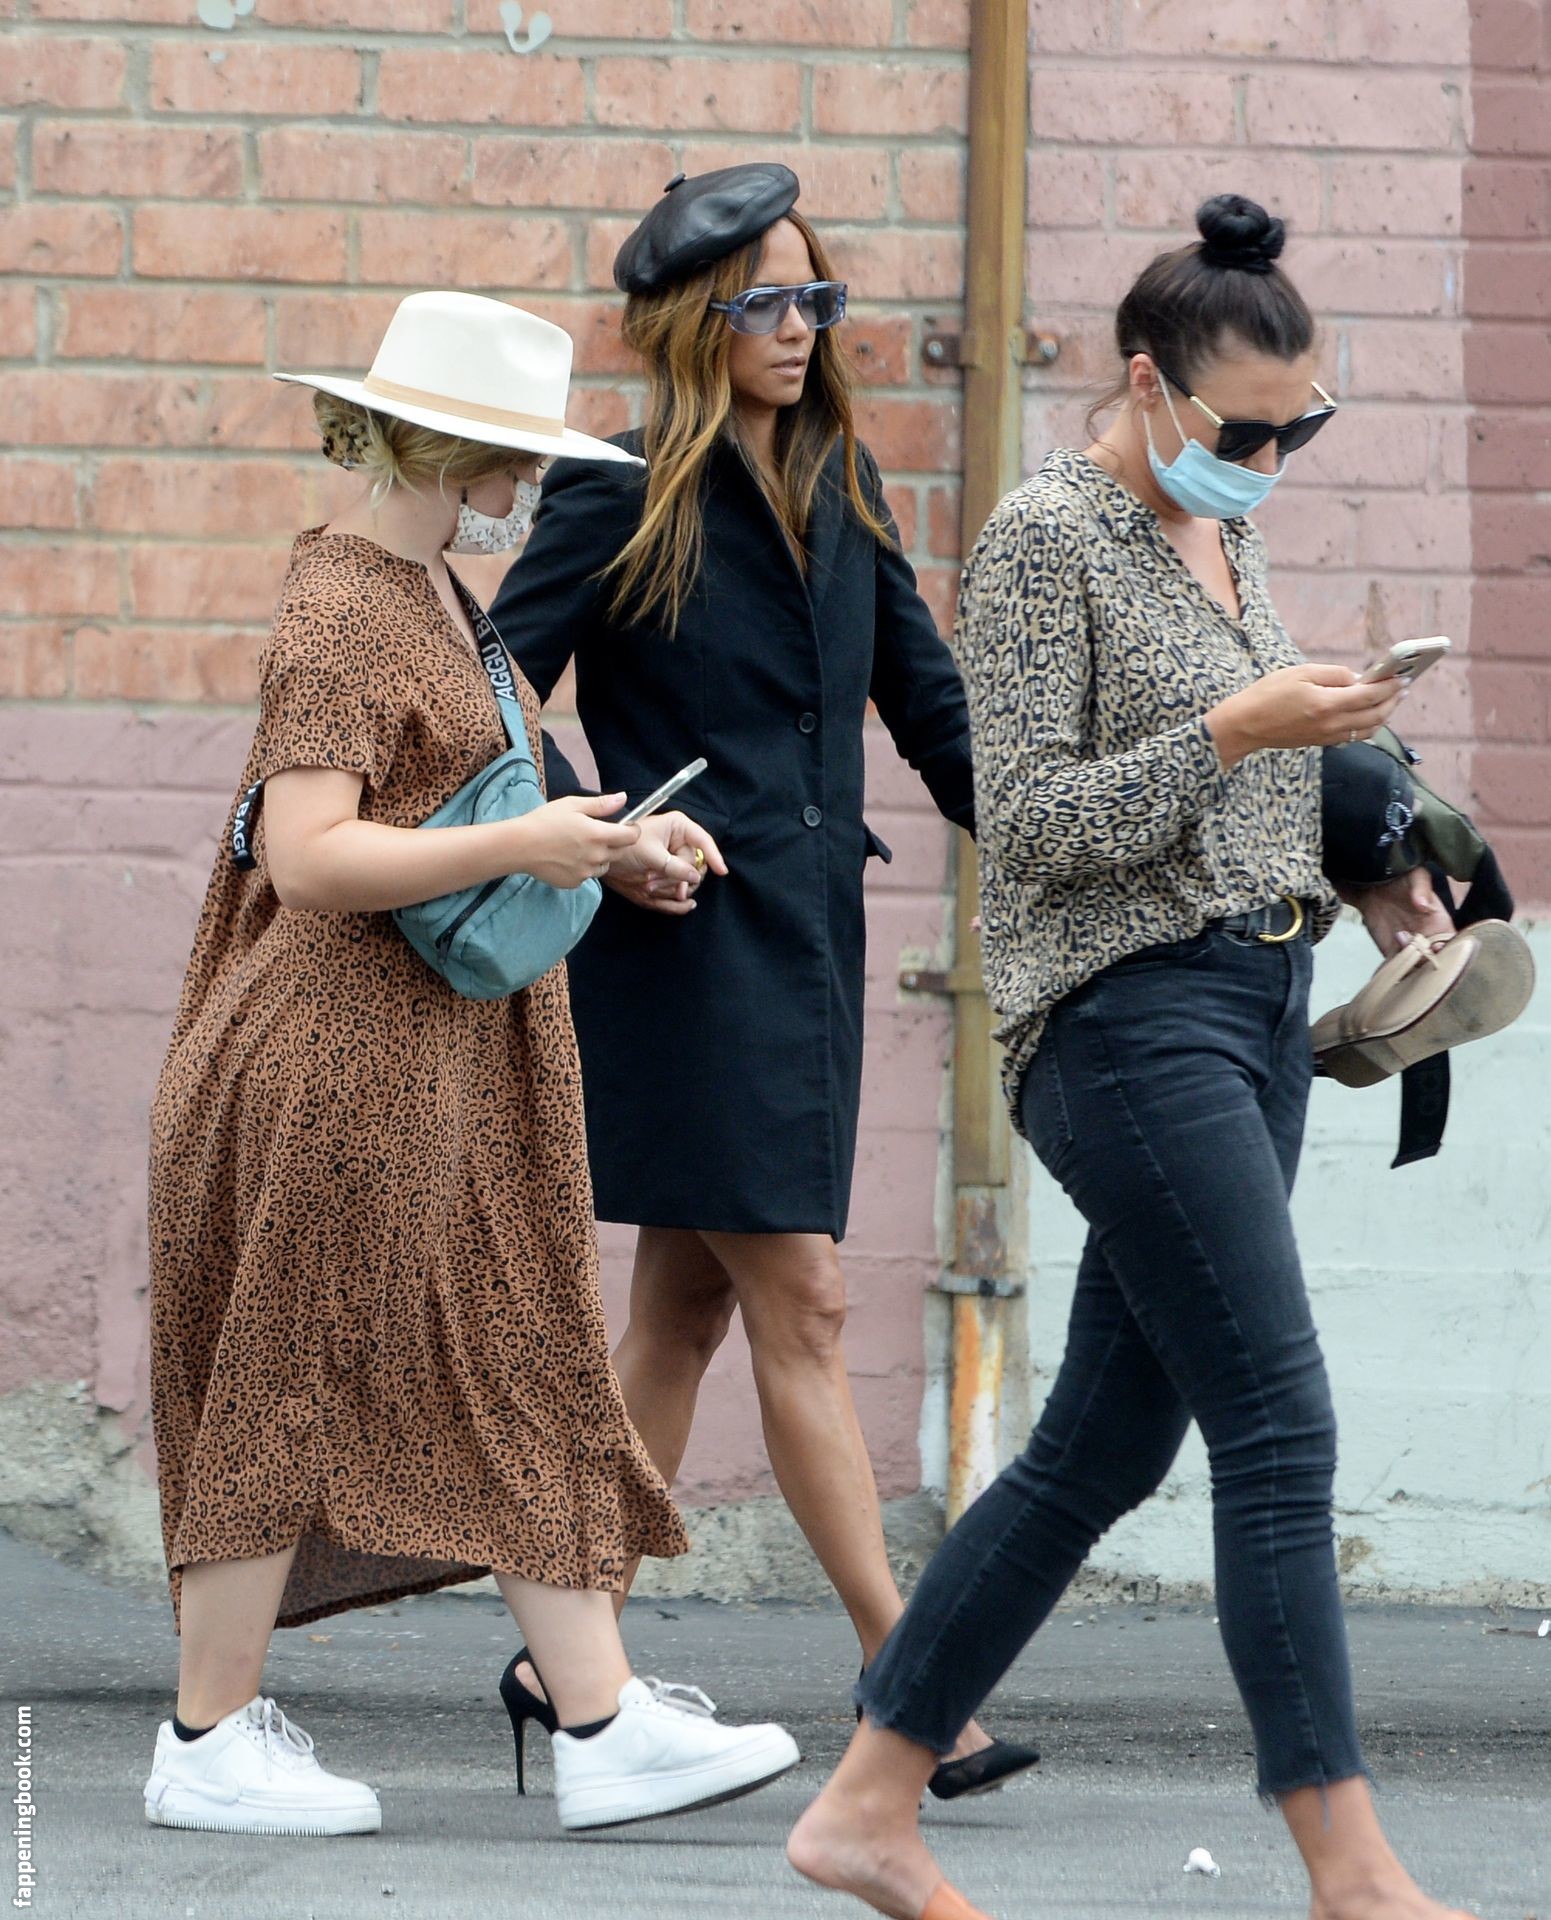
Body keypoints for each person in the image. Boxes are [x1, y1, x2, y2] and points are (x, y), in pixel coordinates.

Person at [788, 196, 1476, 1920]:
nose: (1267, 462)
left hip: (1255, 1010)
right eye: (1242, 432)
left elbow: (1235, 791)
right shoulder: (1045, 539)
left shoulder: (1222, 538)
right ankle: (1352, 1871)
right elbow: (1026, 822)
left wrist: (1370, 861)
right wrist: (1236, 725)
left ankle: (866, 1809)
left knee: (1099, 1451)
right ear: (1148, 382)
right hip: (1121, 1017)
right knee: (1279, 1423)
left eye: (1299, 431)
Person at [143, 290, 798, 1840]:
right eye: (512, 450)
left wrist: (612, 848)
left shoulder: (431, 588)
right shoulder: (347, 603)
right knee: (285, 1377)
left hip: (433, 1056)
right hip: (335, 1063)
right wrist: (529, 845)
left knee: (523, 1356)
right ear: (438, 444)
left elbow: (450, 801)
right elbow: (310, 858)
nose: (532, 480)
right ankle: (205, 1740)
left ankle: (600, 1719)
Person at [490, 164, 1035, 1797]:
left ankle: (566, 1656)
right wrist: (600, 832)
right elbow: (490, 688)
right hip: (683, 948)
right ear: (691, 323)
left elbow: (934, 714)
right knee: (805, 1294)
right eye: (766, 304)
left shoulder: (839, 477)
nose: (801, 329)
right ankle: (909, 1681)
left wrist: (1077, 834)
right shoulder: (618, 491)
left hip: (808, 948)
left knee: (685, 1307)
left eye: (817, 298)